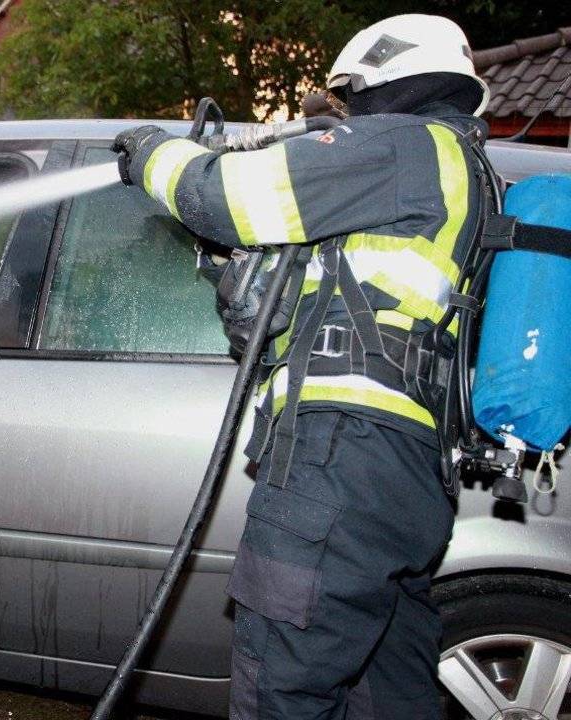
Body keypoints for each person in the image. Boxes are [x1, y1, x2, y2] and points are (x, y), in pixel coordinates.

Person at [113, 14, 491, 720]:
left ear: (382, 77)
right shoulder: (464, 170)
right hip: (408, 477)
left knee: (282, 691)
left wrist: (149, 153)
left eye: (350, 97)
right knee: (387, 695)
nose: (347, 114)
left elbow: (223, 197)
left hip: (339, 458)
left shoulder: (401, 145)